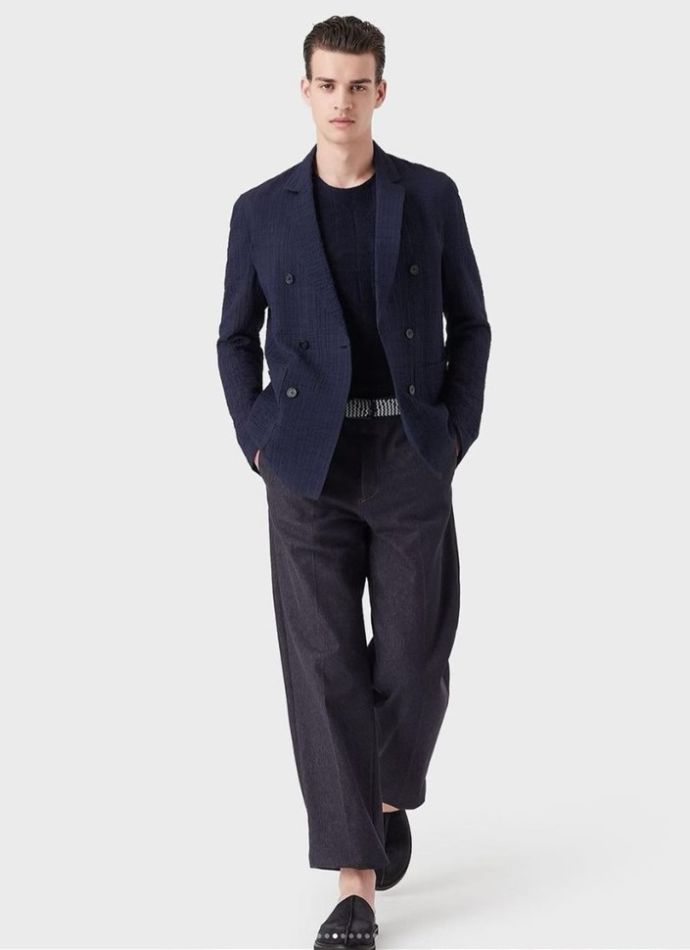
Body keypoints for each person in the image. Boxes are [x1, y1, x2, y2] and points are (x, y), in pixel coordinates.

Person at [216, 15, 491, 949]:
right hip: (306, 464)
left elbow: (471, 324)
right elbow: (233, 337)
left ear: (381, 91)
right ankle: (354, 884)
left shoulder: (430, 196)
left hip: (409, 452)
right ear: (305, 91)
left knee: (414, 653)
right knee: (325, 664)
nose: (342, 101)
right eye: (327, 84)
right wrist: (258, 439)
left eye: (358, 84)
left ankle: (382, 793)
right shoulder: (261, 210)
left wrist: (453, 432)